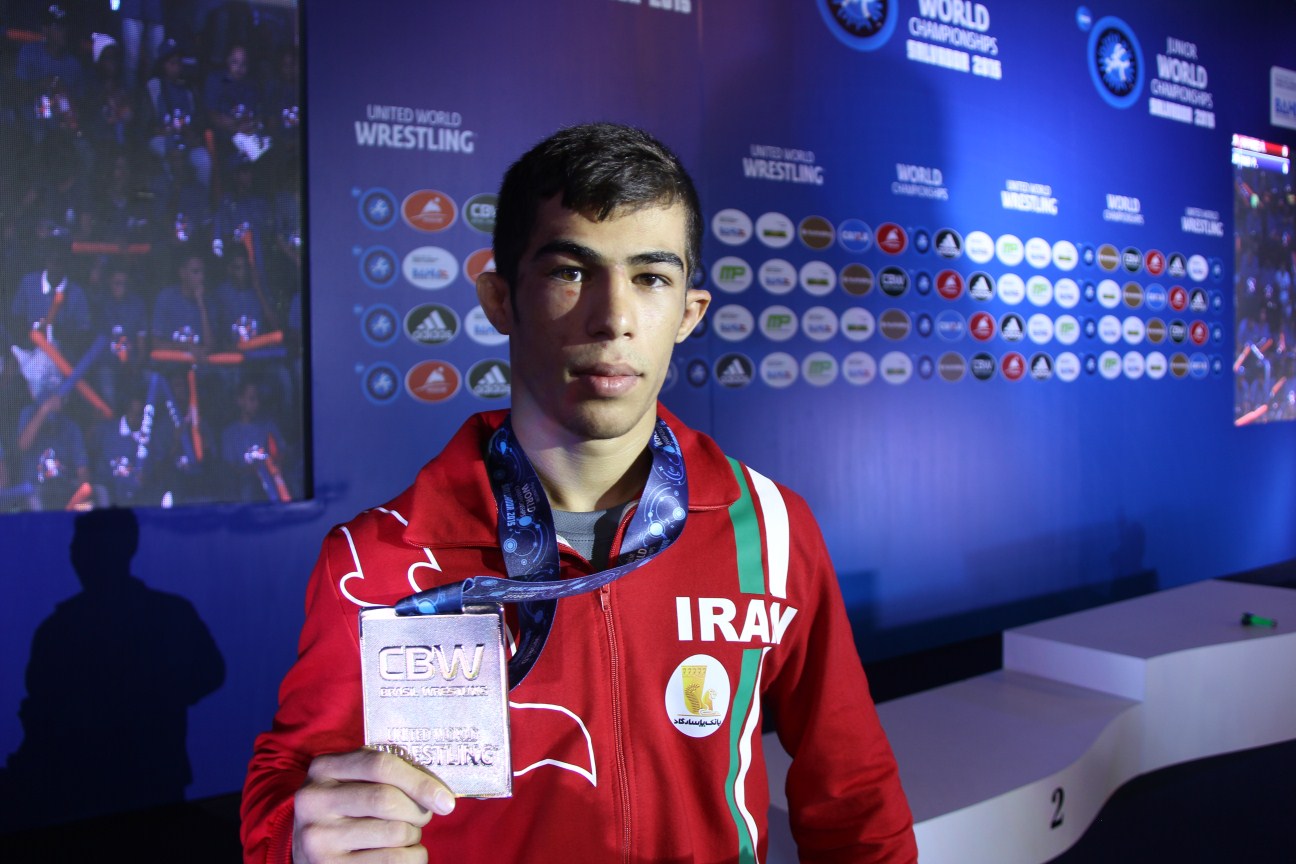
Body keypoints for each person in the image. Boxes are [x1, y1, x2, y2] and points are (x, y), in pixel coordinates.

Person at [241, 123, 916, 863]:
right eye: (571, 272)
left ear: (689, 314)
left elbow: (854, 796)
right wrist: (295, 846)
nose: (614, 319)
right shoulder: (379, 558)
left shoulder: (770, 528)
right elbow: (290, 783)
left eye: (651, 278)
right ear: (501, 300)